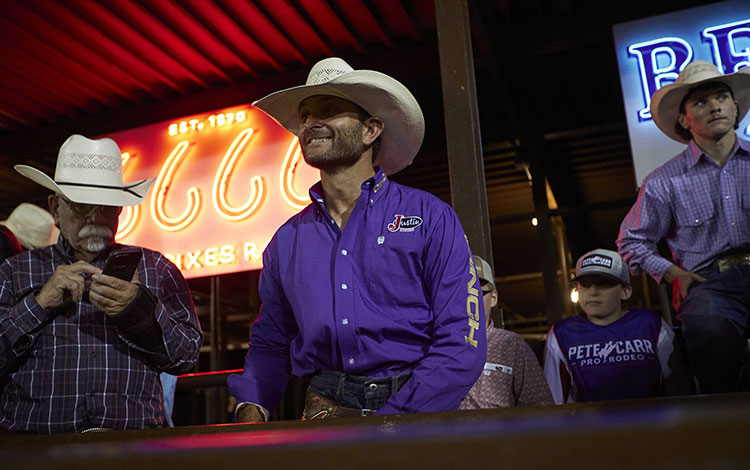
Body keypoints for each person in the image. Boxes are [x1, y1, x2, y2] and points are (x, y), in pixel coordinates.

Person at [227, 57, 485, 421]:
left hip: (417, 402)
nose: (311, 123)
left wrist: (397, 420)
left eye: (329, 110)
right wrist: (251, 407)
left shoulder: (431, 217)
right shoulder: (285, 242)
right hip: (325, 408)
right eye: (305, 116)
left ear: (370, 130)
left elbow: (463, 340)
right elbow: (271, 340)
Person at [0, 134, 202, 433]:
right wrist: (39, 304)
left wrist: (139, 311)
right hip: (36, 451)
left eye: (108, 206)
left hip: (132, 451)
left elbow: (186, 357)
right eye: (82, 206)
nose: (96, 217)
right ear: (56, 208)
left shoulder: (156, 268)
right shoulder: (15, 271)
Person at [617, 61, 750, 394]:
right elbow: (631, 240)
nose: (715, 105)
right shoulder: (663, 181)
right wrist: (674, 274)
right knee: (709, 330)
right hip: (710, 282)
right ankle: (724, 425)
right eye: (701, 102)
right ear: (684, 119)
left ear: (735, 107)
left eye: (722, 97)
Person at [544, 249, 687, 403]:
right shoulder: (561, 333)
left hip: (650, 423)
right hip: (588, 425)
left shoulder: (650, 324)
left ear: (625, 292)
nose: (592, 291)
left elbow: (678, 388)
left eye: (603, 284)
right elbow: (553, 400)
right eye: (585, 285)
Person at [459, 256, 553, 409]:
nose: (471, 298)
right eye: (462, 291)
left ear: (494, 297)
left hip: (498, 433)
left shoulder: (512, 346)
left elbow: (540, 407)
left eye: (478, 291)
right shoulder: (437, 344)